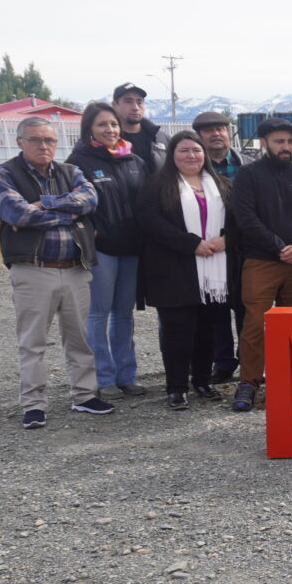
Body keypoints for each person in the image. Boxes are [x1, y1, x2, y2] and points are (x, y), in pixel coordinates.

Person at [0, 117, 109, 426]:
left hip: (74, 269)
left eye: (50, 141)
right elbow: (16, 212)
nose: (44, 146)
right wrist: (69, 214)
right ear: (20, 142)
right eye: (35, 140)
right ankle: (34, 404)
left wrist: (42, 205)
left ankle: (84, 396)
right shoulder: (4, 174)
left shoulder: (71, 172)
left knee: (79, 338)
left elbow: (90, 199)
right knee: (33, 341)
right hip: (33, 269)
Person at [135, 131, 240, 409]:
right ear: (172, 155)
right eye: (183, 151)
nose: (191, 156)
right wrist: (191, 244)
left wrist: (227, 239)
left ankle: (202, 381)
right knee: (177, 330)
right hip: (174, 269)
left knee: (208, 330)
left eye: (196, 150)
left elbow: (240, 220)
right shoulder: (157, 185)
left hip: (214, 271)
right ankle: (176, 387)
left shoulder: (223, 185)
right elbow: (148, 222)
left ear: (204, 155)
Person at [230, 117, 292, 412]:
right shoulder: (248, 176)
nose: (285, 147)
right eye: (279, 141)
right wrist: (279, 246)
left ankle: (290, 380)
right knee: (255, 322)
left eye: (290, 142)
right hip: (260, 261)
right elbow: (245, 218)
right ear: (265, 143)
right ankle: (249, 382)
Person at [67, 101, 148, 400]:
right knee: (99, 314)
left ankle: (126, 375)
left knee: (124, 314)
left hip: (131, 248)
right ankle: (102, 377)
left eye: (113, 124)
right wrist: (91, 229)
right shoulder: (78, 162)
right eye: (102, 124)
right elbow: (73, 203)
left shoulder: (134, 161)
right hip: (101, 249)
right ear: (89, 128)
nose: (109, 130)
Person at [192, 111, 251, 382]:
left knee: (246, 307)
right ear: (199, 137)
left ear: (229, 132)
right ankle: (223, 362)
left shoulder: (248, 166)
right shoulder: (191, 171)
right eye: (208, 130)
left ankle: (251, 362)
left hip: (244, 248)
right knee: (215, 307)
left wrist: (233, 238)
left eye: (221, 128)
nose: (216, 134)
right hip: (208, 249)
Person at [111, 82, 170, 172]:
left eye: (139, 102)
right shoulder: (108, 140)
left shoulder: (161, 138)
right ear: (115, 105)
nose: (135, 107)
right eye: (128, 101)